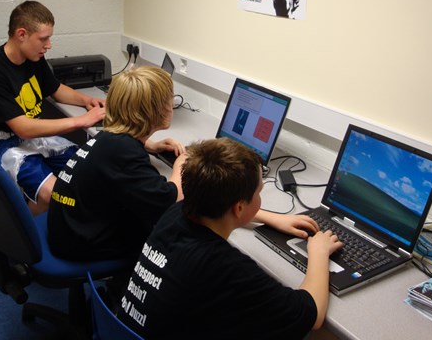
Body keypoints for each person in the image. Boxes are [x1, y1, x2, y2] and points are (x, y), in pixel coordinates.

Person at [118, 137, 343, 339]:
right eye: (259, 193)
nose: (260, 198)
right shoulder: (226, 266)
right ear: (238, 207)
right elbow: (311, 316)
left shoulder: (175, 213)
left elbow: (213, 204)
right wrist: (319, 253)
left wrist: (272, 218)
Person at [0, 0, 105, 215]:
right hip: (2, 142)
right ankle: (26, 236)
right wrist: (81, 121)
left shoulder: (33, 57)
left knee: (86, 170)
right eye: (43, 38)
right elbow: (22, 128)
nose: (48, 45)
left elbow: (56, 89)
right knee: (50, 194)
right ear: (21, 34)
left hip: (32, 136)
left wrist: (85, 100)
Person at [47, 66, 185, 263]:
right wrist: (182, 166)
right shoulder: (124, 152)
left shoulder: (112, 137)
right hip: (80, 244)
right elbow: (167, 200)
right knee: (171, 234)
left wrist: (151, 146)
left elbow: (121, 154)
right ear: (158, 109)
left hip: (68, 228)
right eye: (170, 99)